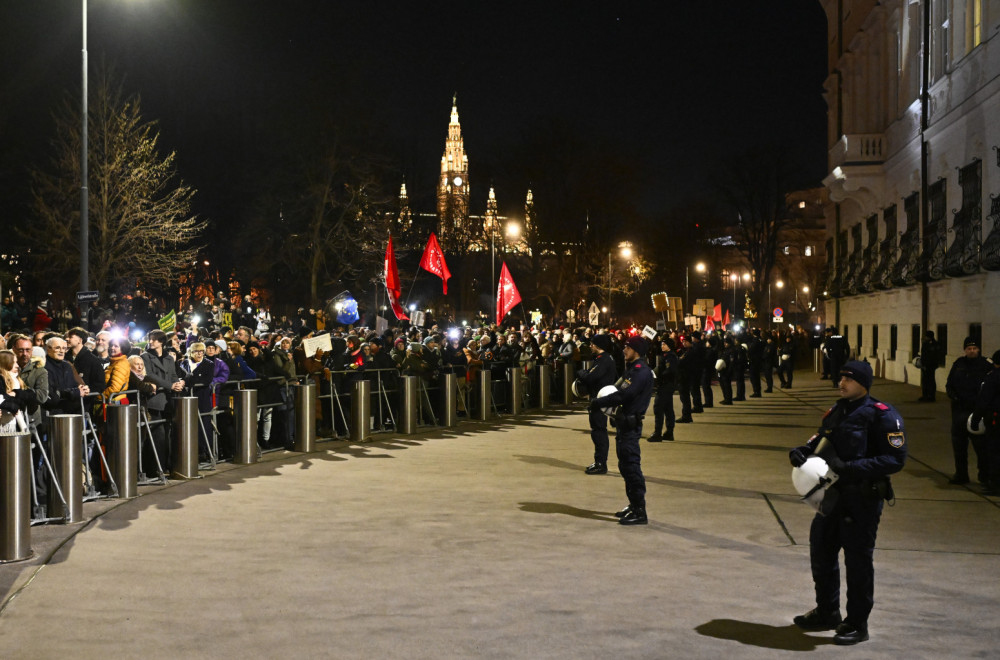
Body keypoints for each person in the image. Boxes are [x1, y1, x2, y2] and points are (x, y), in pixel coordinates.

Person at [788, 360, 907, 645]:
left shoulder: (882, 415)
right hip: (831, 498)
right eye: (841, 377)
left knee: (857, 563)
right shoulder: (837, 410)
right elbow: (821, 437)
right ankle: (827, 611)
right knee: (822, 552)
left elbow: (895, 459)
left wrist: (849, 467)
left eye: (848, 379)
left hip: (861, 499)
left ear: (863, 383)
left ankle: (857, 623)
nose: (841, 383)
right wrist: (804, 450)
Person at [588, 336, 654, 525]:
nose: (624, 349)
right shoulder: (632, 370)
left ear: (637, 351)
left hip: (630, 426)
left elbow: (625, 394)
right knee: (625, 467)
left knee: (632, 467)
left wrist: (598, 403)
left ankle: (640, 510)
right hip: (624, 424)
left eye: (628, 347)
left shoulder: (641, 372)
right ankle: (633, 504)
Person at [944, 337, 991, 485]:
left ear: (979, 349)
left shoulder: (985, 365)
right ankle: (961, 474)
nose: (972, 351)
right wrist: (954, 396)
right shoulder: (959, 364)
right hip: (959, 412)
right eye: (969, 348)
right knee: (959, 446)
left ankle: (984, 476)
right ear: (965, 350)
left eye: (974, 348)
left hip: (977, 413)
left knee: (981, 448)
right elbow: (949, 384)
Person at [577, 333, 617, 473]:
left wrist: (581, 373)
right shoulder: (604, 359)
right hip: (600, 398)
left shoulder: (603, 360)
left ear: (598, 345)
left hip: (600, 399)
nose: (590, 346)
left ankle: (601, 463)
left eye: (592, 344)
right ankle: (599, 461)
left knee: (598, 431)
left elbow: (590, 376)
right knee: (598, 431)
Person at [971, 350, 1000, 495]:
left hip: (995, 418)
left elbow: (984, 400)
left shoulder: (993, 377)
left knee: (994, 451)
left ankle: (996, 484)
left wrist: (975, 419)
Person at [650, 337, 678, 440]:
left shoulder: (670, 357)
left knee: (659, 408)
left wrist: (659, 377)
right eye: (661, 344)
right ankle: (669, 432)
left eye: (664, 344)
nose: (662, 346)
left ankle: (658, 433)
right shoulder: (666, 356)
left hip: (666, 385)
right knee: (668, 409)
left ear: (669, 346)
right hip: (666, 385)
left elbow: (670, 370)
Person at [918, 330, 943, 402]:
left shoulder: (926, 344)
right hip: (933, 365)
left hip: (927, 365)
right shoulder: (937, 344)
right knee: (931, 380)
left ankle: (926, 396)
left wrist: (923, 365)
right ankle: (931, 396)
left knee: (926, 381)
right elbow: (939, 355)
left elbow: (925, 355)